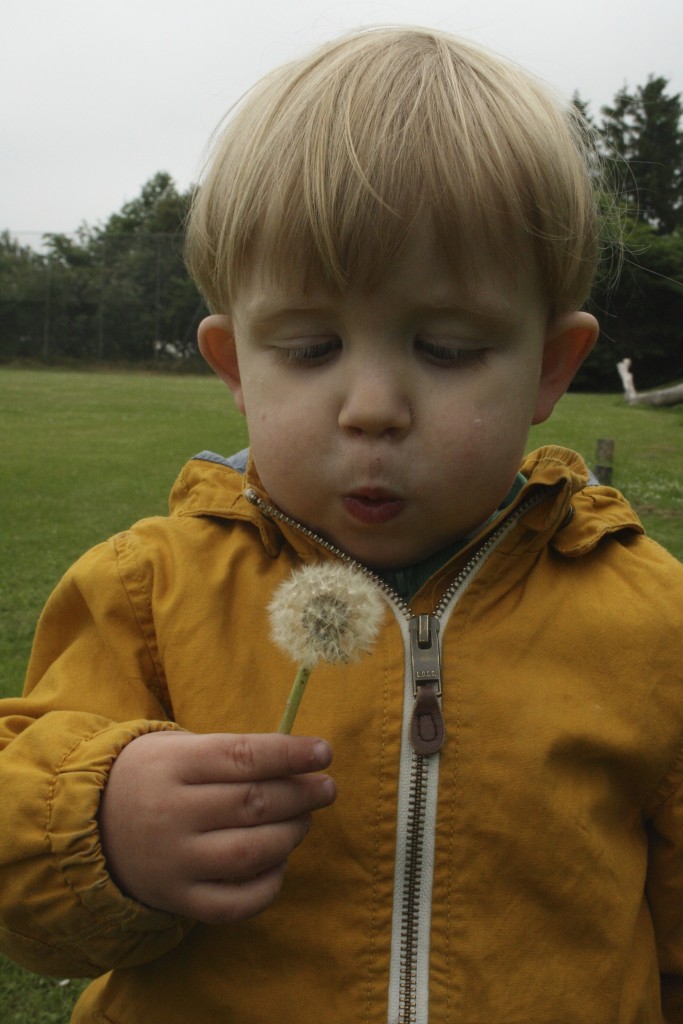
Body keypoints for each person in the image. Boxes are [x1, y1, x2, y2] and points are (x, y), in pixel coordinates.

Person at [1, 25, 682, 1024]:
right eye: (311, 346)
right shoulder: (147, 592)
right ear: (234, 367)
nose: (370, 406)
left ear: (547, 367)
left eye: (445, 348)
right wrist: (97, 824)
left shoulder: (648, 619)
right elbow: (26, 903)